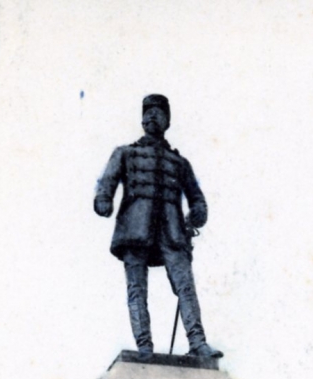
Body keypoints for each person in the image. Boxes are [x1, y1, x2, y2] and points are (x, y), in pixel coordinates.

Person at [94, 94, 223, 363]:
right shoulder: (125, 153)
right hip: (134, 230)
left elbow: (196, 197)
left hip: (172, 233)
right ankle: (145, 347)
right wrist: (103, 199)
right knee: (137, 290)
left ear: (167, 121)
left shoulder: (180, 163)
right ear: (142, 119)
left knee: (185, 286)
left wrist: (198, 212)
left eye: (159, 112)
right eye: (148, 112)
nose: (153, 116)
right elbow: (106, 184)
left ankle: (198, 342)